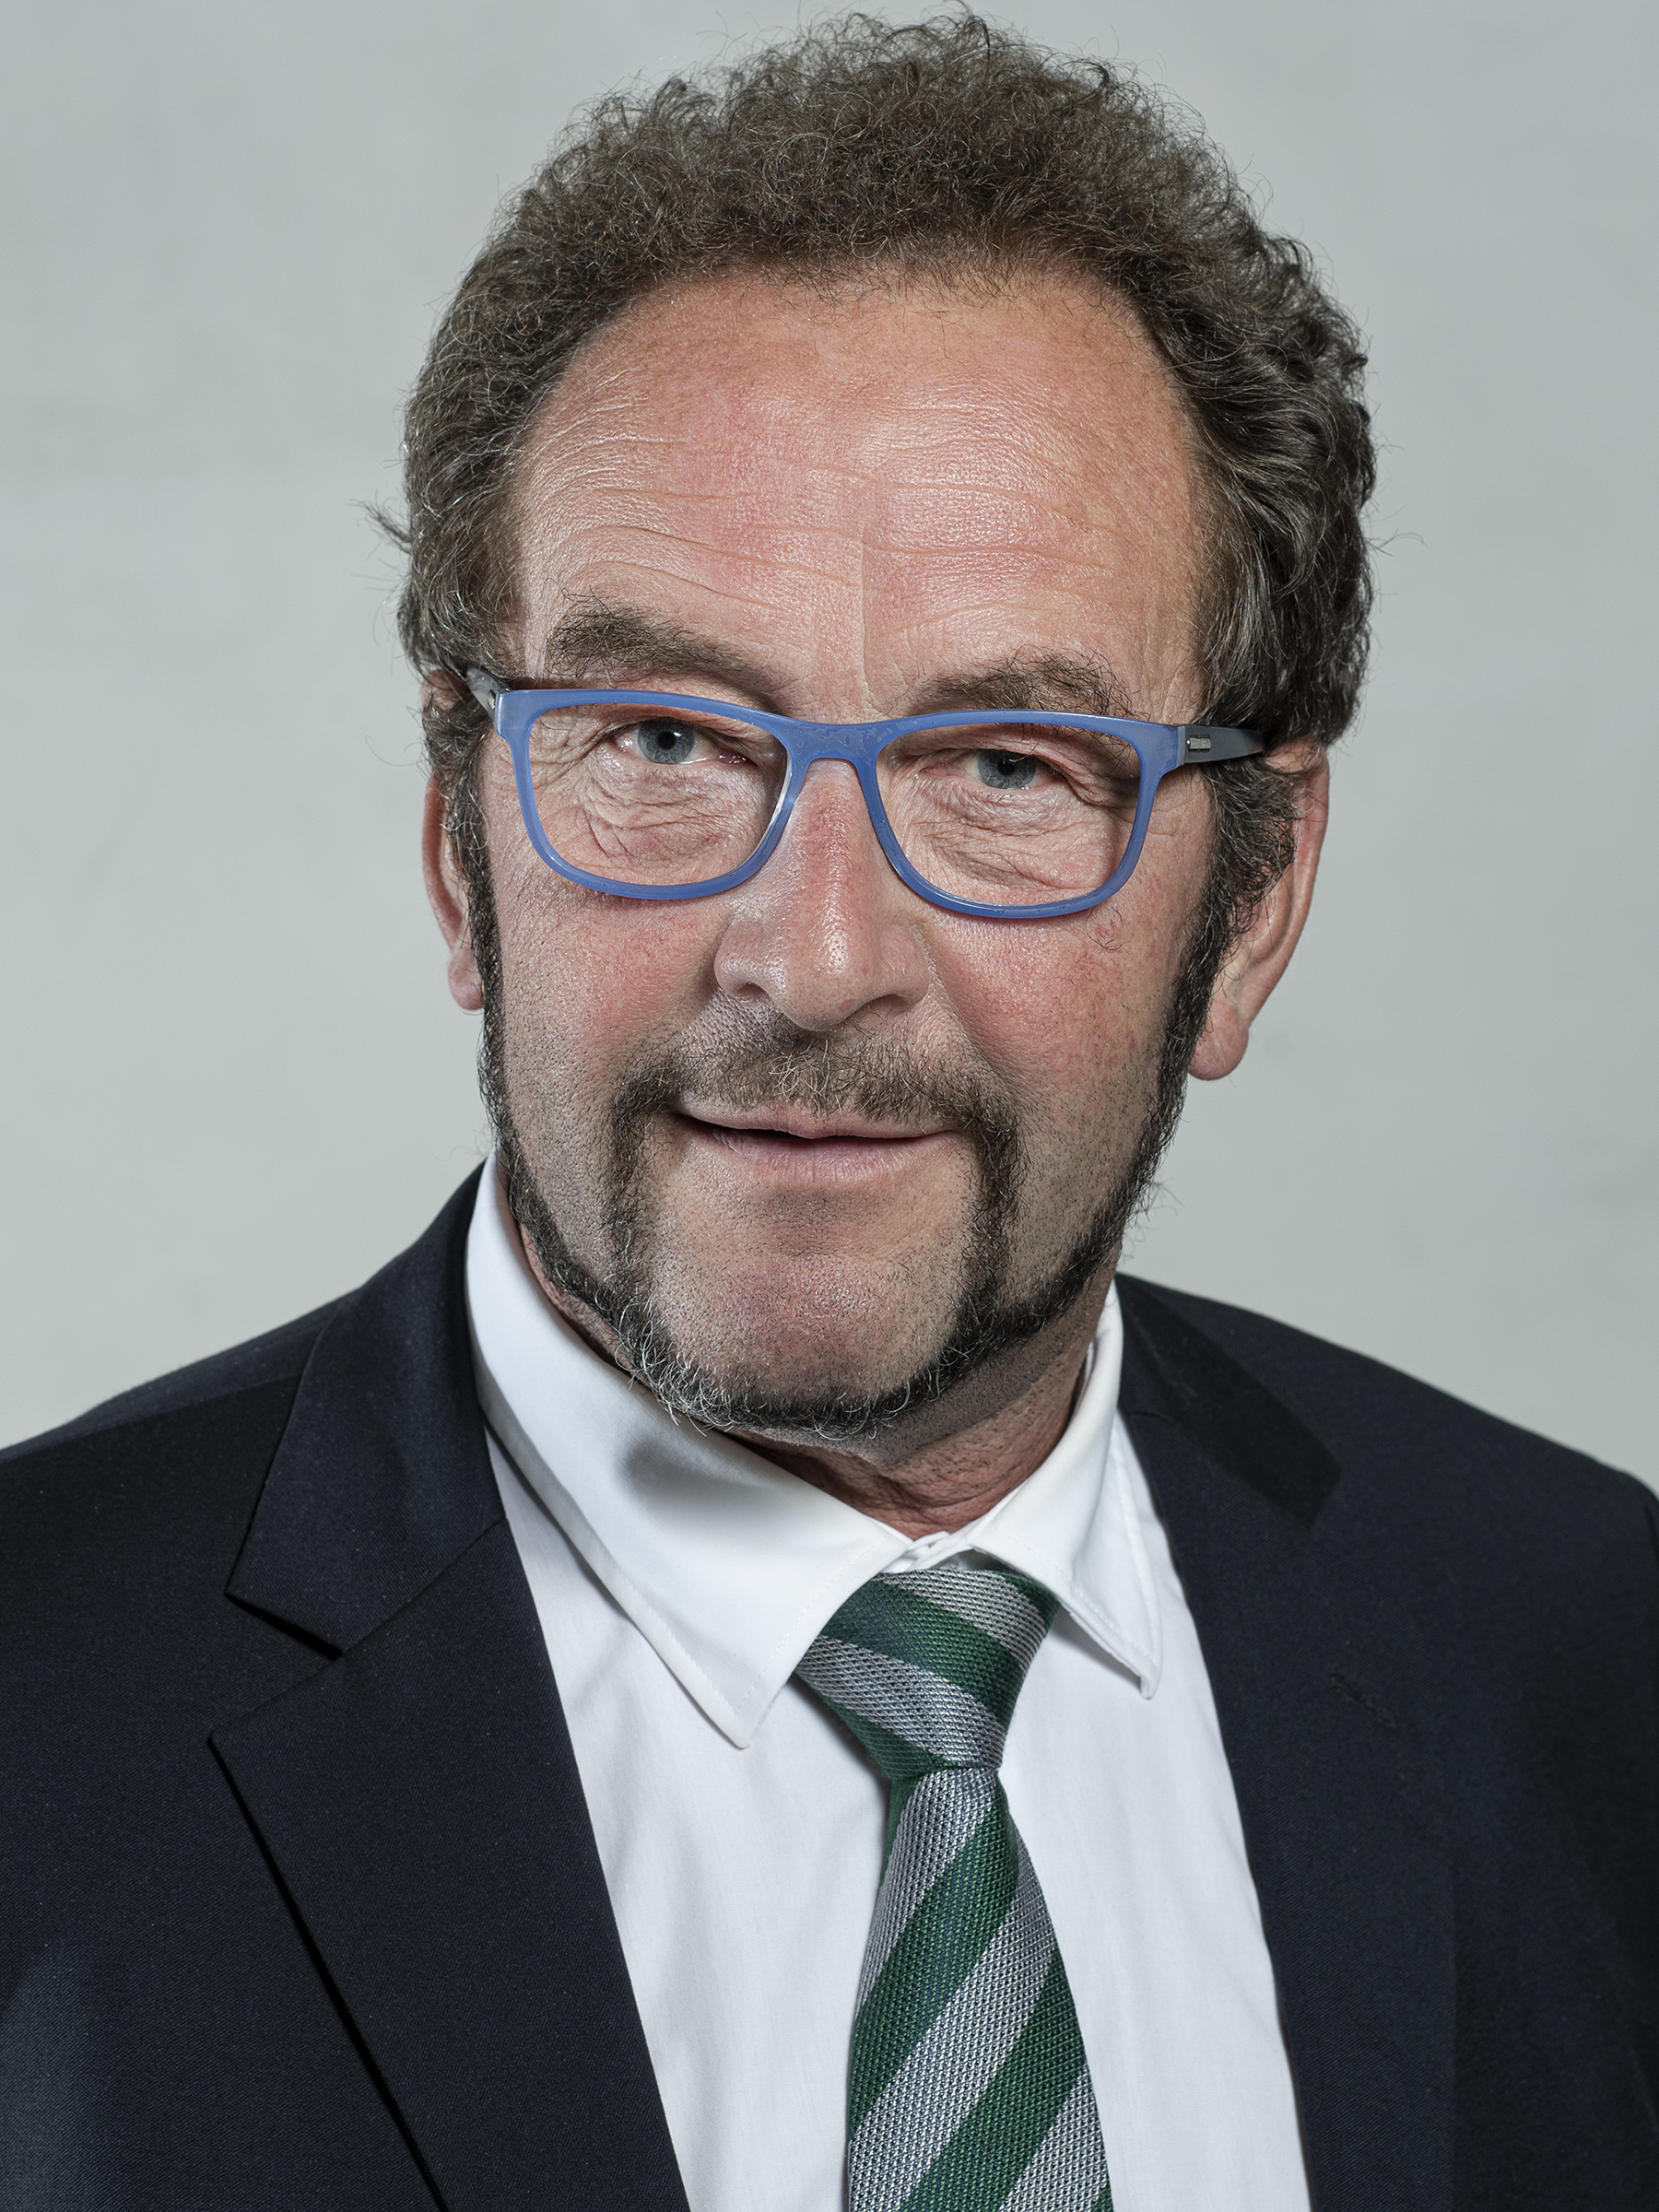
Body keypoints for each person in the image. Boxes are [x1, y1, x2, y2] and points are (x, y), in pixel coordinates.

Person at [2, 16, 1654, 2211]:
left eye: (1007, 768)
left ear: (1253, 910)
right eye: (667, 742)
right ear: (458, 848)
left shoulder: (1590, 1661)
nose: (812, 955)